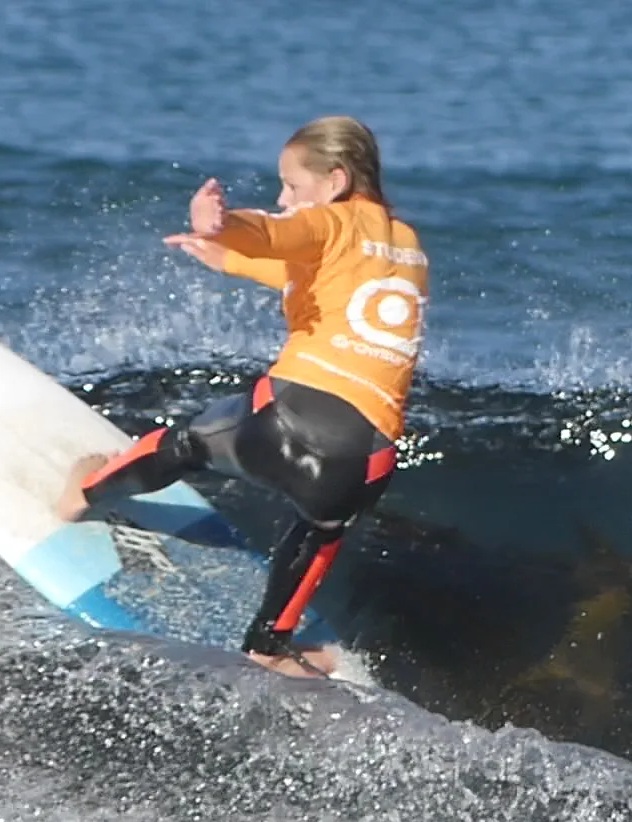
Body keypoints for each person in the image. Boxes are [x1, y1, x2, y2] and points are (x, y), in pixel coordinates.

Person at [56, 116, 429, 678]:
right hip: (366, 462)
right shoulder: (405, 246)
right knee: (321, 530)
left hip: (287, 418)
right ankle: (270, 646)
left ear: (334, 181)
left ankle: (83, 493)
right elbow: (315, 274)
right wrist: (227, 256)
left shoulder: (331, 221)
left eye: (292, 187)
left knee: (188, 442)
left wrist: (226, 224)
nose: (283, 198)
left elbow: (278, 234)